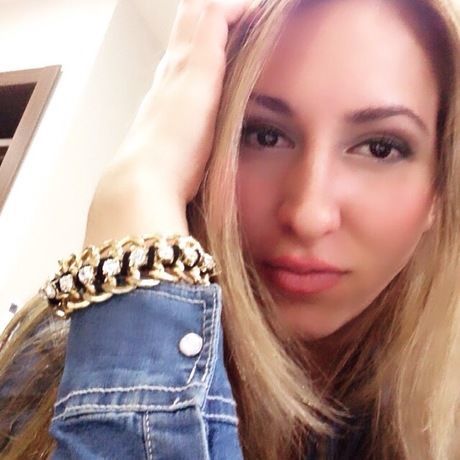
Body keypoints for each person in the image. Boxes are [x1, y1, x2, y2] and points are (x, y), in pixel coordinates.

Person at [0, 0, 459, 458]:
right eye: (264, 135)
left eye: (380, 147)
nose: (308, 215)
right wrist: (139, 183)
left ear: (440, 190)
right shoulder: (48, 371)